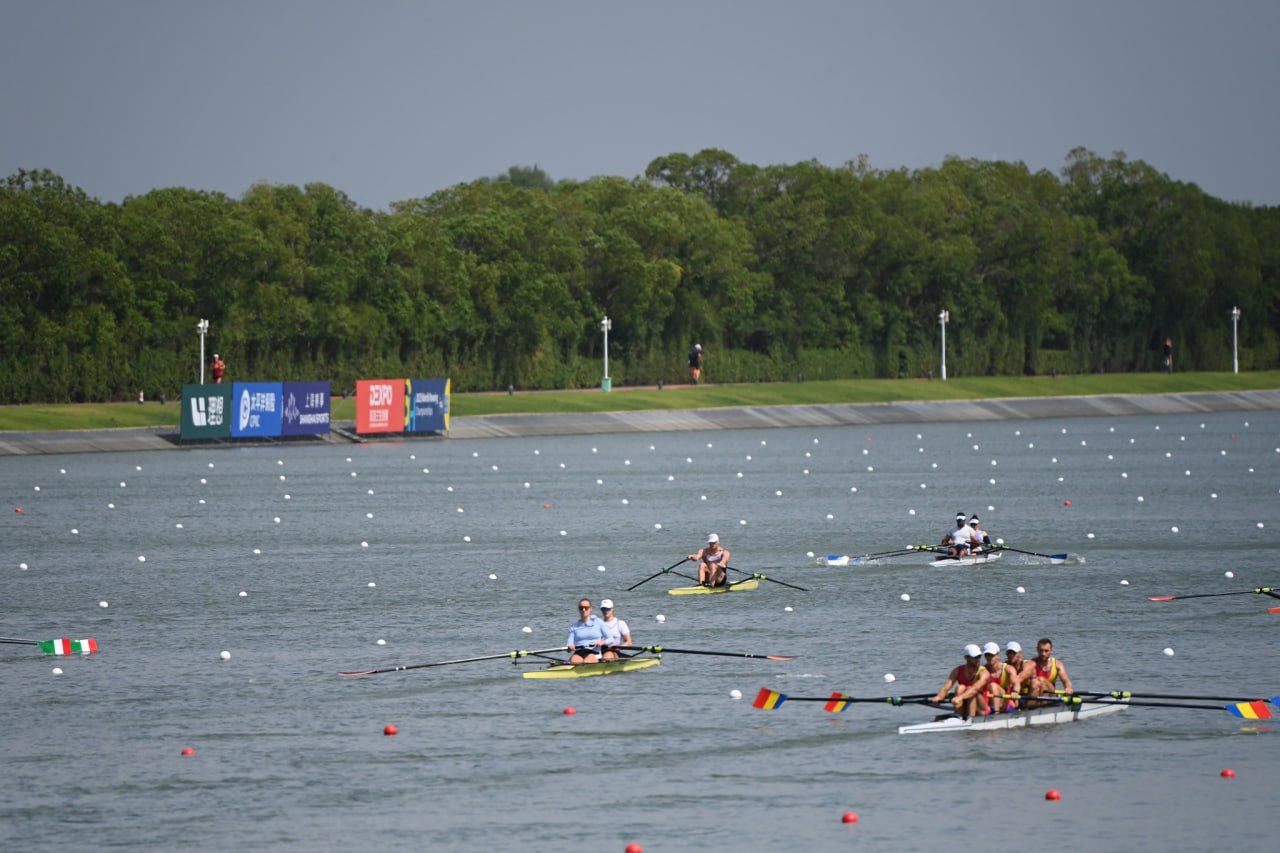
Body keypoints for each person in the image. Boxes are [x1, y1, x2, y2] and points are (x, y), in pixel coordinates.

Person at [932, 644, 991, 719]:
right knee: (960, 687)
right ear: (966, 658)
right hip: (966, 706)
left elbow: (975, 689)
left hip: (982, 709)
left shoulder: (984, 673)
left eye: (979, 656)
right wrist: (939, 696)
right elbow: (945, 688)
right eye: (974, 657)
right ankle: (960, 716)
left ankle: (970, 719)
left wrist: (960, 697)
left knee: (971, 690)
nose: (978, 659)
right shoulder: (957, 671)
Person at [1025, 637, 1073, 703]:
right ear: (1037, 650)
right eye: (1041, 650)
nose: (1043, 654)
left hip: (1051, 694)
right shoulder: (1030, 664)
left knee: (1041, 680)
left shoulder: (1057, 664)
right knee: (1036, 682)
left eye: (1046, 651)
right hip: (1035, 694)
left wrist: (1068, 688)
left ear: (1051, 650)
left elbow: (1066, 681)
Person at [565, 599, 609, 663]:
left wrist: (602, 642)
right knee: (574, 659)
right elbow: (569, 643)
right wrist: (570, 646)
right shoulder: (574, 626)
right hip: (579, 652)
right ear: (579, 609)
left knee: (589, 659)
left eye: (586, 608)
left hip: (594, 652)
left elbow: (610, 639)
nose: (583, 610)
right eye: (581, 608)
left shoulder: (599, 622)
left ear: (590, 609)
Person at [981, 641, 1018, 712]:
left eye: (992, 655)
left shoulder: (1008, 669)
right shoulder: (982, 670)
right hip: (989, 702)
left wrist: (1015, 691)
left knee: (993, 686)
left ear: (998, 655)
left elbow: (1016, 683)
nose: (989, 657)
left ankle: (996, 713)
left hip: (1007, 704)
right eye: (987, 655)